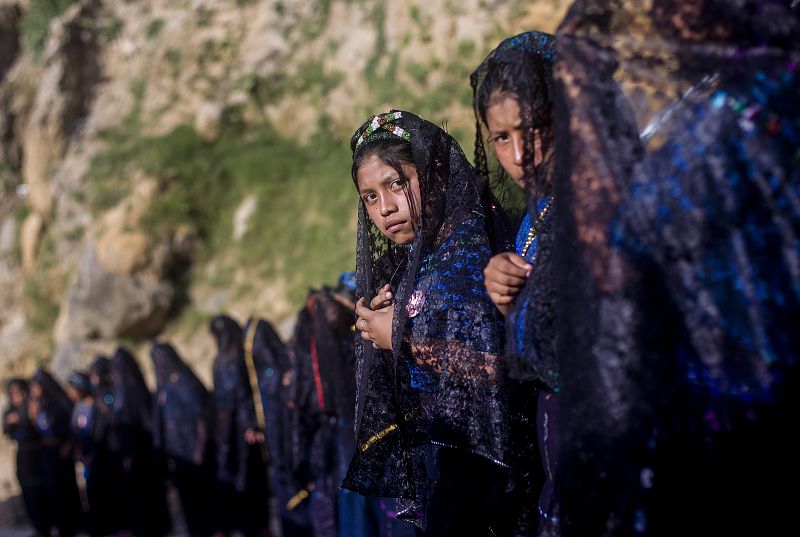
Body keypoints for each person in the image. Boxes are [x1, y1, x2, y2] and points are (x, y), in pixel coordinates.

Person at [552, 0, 800, 535]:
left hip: (754, 430)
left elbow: (614, 260)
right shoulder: (774, 80)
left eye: (672, 4)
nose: (664, 20)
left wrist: (578, 82)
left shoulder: (722, 128)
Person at [342, 110, 526, 536]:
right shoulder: (417, 257)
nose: (385, 207)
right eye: (370, 196)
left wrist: (402, 339)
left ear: (434, 172)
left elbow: (496, 364)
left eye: (396, 184)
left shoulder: (466, 249)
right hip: (450, 461)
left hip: (490, 471)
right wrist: (378, 318)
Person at [472, 31, 559, 534]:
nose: (521, 154)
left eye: (535, 127)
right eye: (501, 137)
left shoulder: (603, 207)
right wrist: (504, 292)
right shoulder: (531, 221)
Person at [210, 314, 271, 537]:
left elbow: (245, 394)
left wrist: (251, 424)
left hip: (242, 433)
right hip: (231, 434)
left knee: (250, 480)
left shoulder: (236, 358)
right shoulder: (222, 360)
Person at [151, 342, 215, 537]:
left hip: (195, 456)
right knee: (188, 508)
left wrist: (199, 452)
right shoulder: (163, 388)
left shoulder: (185, 382)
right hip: (178, 458)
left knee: (204, 506)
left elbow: (202, 418)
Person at [110, 347, 172, 537]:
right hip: (132, 458)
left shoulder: (136, 392)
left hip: (142, 457)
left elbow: (146, 426)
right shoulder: (121, 393)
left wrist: (131, 452)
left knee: (148, 500)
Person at [29, 368, 83, 537]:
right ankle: (58, 524)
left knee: (64, 490)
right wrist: (33, 410)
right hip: (47, 453)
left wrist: (69, 444)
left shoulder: (60, 402)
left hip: (61, 451)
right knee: (52, 491)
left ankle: (71, 526)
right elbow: (35, 427)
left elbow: (71, 426)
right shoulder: (39, 404)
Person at [67, 370, 119, 537]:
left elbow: (100, 432)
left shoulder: (97, 406)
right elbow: (75, 432)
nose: (70, 392)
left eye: (73, 388)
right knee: (90, 495)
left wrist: (92, 454)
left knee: (103, 492)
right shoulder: (78, 407)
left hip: (99, 457)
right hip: (85, 458)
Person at [3, 378, 48, 537]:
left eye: (19, 392)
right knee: (28, 492)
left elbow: (38, 426)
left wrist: (29, 415)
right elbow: (7, 430)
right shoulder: (11, 410)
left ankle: (46, 526)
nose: (17, 396)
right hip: (22, 455)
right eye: (13, 393)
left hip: (36, 454)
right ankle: (37, 526)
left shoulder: (31, 405)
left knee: (40, 491)